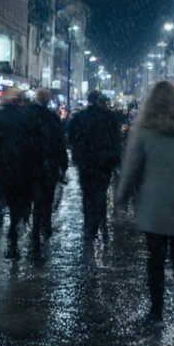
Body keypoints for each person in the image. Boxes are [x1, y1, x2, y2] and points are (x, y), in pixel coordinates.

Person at [114, 81, 174, 327]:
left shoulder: (144, 129)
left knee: (156, 260)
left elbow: (131, 168)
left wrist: (122, 199)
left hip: (154, 203)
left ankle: (156, 313)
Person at [0, 87, 44, 259]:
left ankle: (5, 222)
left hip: (4, 169)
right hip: (24, 168)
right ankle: (14, 230)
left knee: (6, 198)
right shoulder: (28, 118)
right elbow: (36, 145)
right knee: (19, 203)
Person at [69, 89, 122, 243]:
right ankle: (100, 221)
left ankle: (89, 225)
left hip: (86, 161)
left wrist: (78, 153)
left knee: (87, 193)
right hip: (104, 161)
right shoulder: (108, 116)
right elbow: (116, 139)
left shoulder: (80, 117)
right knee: (101, 192)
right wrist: (114, 158)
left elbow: (72, 137)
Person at [31, 88, 68, 241]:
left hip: (33, 162)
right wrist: (63, 163)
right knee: (48, 195)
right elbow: (59, 142)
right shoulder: (52, 117)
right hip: (49, 163)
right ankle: (46, 223)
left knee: (36, 195)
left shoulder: (29, 115)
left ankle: (36, 225)